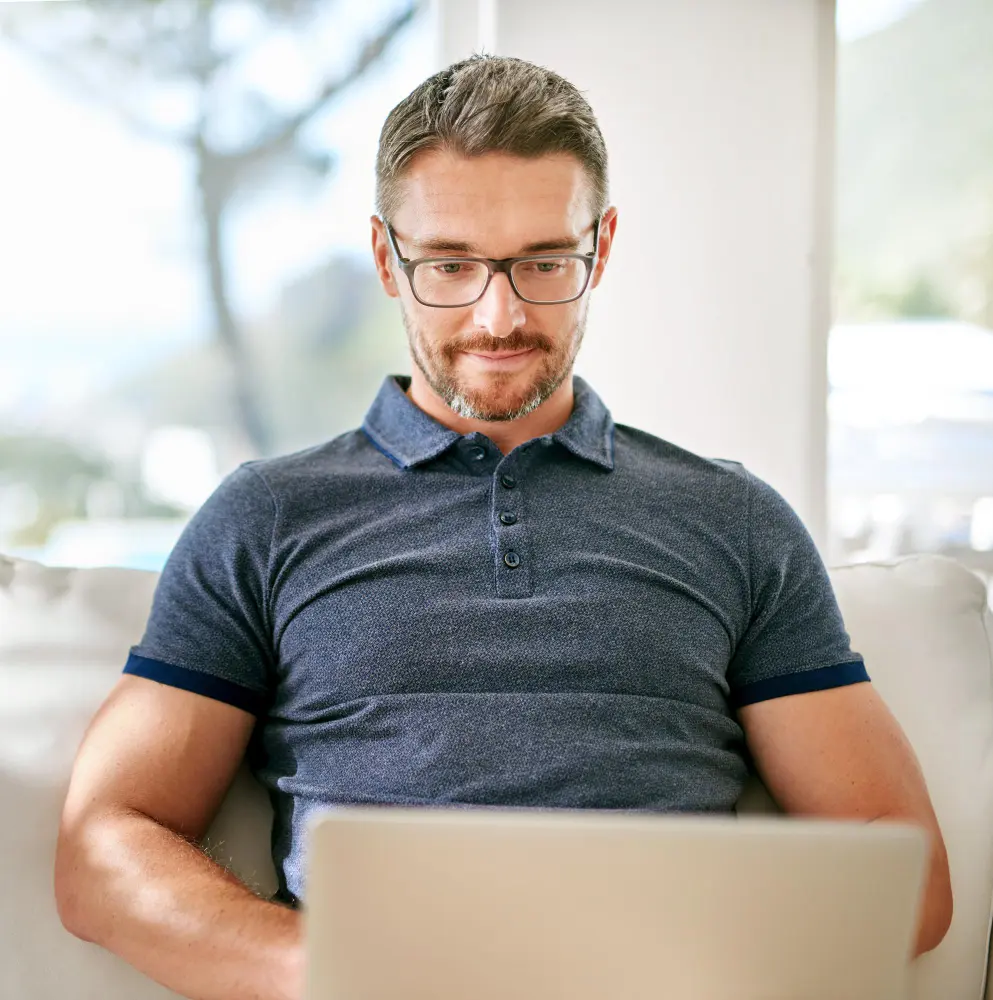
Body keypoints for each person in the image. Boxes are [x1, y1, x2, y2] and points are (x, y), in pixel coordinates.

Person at [53, 54, 953, 1000]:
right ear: (385, 257)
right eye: (449, 264)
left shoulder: (733, 521)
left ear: (599, 248)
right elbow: (100, 845)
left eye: (543, 263)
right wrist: (319, 971)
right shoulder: (264, 517)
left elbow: (904, 874)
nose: (499, 316)